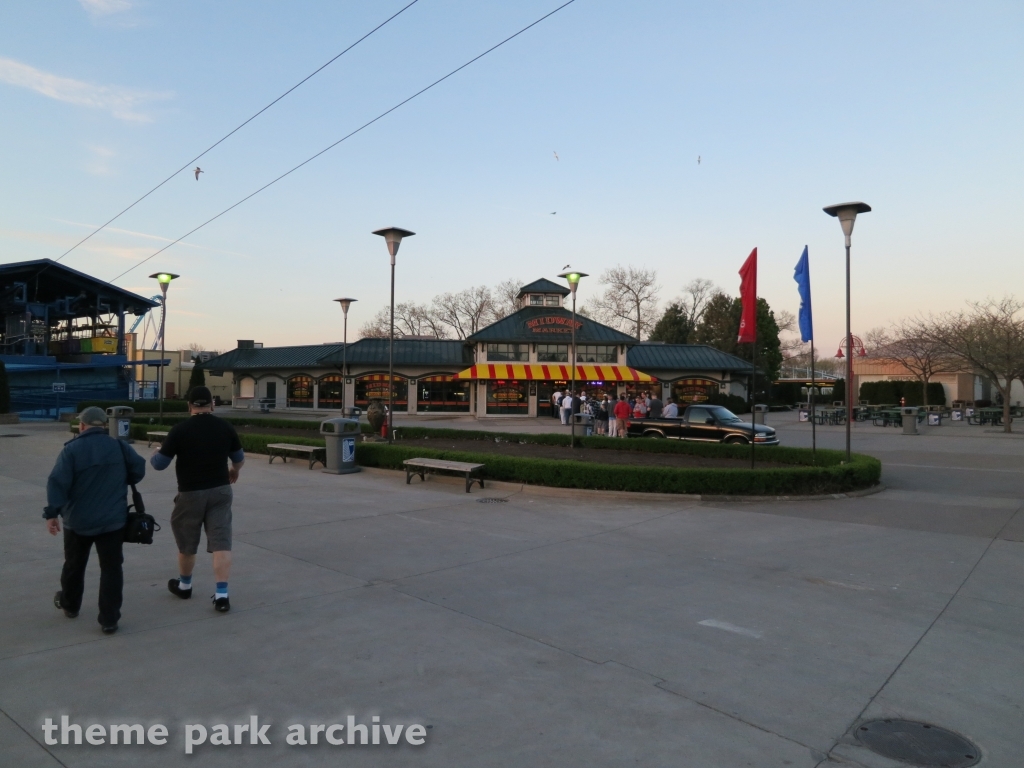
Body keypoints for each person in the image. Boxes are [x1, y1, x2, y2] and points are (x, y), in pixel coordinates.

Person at [45, 406, 146, 635]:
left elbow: (57, 482)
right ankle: (109, 619)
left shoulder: (71, 450)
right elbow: (138, 470)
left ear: (82, 426)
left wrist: (52, 513)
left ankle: (70, 605)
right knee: (111, 569)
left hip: (77, 521)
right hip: (112, 522)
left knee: (74, 565)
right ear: (103, 425)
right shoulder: (120, 447)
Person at [151, 386, 244, 613]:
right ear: (212, 404)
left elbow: (159, 465)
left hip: (191, 493)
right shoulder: (225, 427)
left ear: (189, 405)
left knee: (187, 543)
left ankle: (185, 585)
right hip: (221, 491)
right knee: (221, 542)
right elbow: (239, 458)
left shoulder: (180, 430)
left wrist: (157, 451)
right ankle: (222, 595)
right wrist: (234, 470)